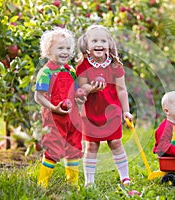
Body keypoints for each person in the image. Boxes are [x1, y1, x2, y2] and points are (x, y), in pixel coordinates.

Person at [76, 25, 133, 187]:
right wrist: (92, 88)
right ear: (87, 45)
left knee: (115, 142)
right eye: (94, 41)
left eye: (103, 40)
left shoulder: (115, 65)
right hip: (91, 113)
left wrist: (126, 111)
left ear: (109, 44)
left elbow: (122, 90)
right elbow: (82, 89)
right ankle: (90, 181)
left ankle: (125, 176)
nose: (98, 44)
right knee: (91, 145)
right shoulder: (83, 65)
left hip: (112, 111)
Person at [34, 27, 85, 188]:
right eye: (60, 48)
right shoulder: (46, 72)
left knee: (74, 147)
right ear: (49, 51)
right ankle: (43, 183)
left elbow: (75, 92)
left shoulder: (71, 71)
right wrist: (53, 108)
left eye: (68, 48)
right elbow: (38, 96)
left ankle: (73, 183)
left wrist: (80, 96)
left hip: (73, 116)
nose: (65, 52)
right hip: (54, 117)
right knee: (53, 148)